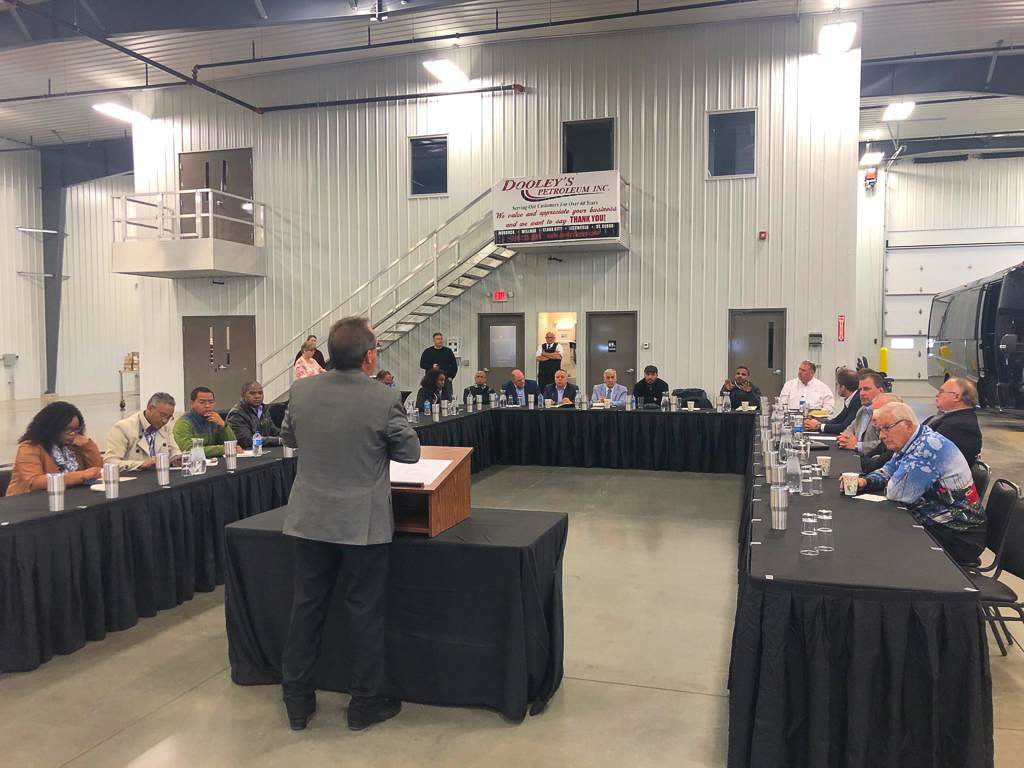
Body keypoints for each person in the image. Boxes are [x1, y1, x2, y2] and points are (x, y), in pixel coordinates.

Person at [279, 316, 420, 732]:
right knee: (364, 613)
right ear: (370, 356)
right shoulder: (383, 398)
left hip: (309, 519)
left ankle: (297, 702)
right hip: (363, 524)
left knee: (305, 608)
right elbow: (410, 453)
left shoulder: (300, 391)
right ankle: (364, 704)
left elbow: (289, 438)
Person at [855, 402, 985, 565]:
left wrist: (889, 480)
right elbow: (888, 470)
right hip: (934, 521)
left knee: (876, 538)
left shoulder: (927, 449)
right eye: (880, 429)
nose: (881, 435)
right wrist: (866, 481)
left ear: (908, 425)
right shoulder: (913, 440)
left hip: (958, 534)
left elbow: (897, 493)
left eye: (887, 428)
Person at [6, 401, 104, 496]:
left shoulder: (76, 445)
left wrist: (88, 445)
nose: (73, 434)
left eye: (76, 429)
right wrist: (81, 475)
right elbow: (34, 482)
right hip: (27, 501)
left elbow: (98, 472)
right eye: (68, 429)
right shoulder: (29, 448)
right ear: (52, 428)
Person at [105, 392, 183, 470]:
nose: (165, 420)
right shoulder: (123, 427)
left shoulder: (165, 427)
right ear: (150, 408)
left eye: (169, 417)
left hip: (160, 474)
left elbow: (174, 451)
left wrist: (178, 458)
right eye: (162, 415)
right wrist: (141, 464)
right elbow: (110, 462)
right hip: (133, 476)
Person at [924, 377, 983, 466]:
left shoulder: (961, 426)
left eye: (941, 392)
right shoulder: (947, 418)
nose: (937, 395)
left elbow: (928, 454)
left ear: (956, 397)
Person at [172, 386, 236, 458]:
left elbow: (233, 445)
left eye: (211, 402)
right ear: (192, 403)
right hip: (195, 462)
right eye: (202, 402)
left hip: (216, 461)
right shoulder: (183, 423)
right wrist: (223, 449)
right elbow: (189, 450)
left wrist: (223, 425)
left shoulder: (215, 419)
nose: (207, 406)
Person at [837, 370, 886, 454]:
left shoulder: (887, 413)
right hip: (855, 455)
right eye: (860, 390)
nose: (861, 393)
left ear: (880, 391)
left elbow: (885, 444)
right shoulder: (862, 410)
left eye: (866, 389)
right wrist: (845, 439)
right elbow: (848, 430)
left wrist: (857, 445)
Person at [226, 381, 283, 450]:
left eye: (260, 393)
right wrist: (278, 440)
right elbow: (246, 440)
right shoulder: (236, 414)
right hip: (246, 453)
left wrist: (289, 436)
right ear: (243, 395)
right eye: (252, 393)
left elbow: (275, 431)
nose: (257, 396)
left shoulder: (264, 410)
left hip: (263, 450)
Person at [804, 367, 860, 434]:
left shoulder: (856, 401)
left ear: (843, 387)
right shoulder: (851, 399)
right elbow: (837, 420)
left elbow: (844, 427)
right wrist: (817, 423)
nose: (836, 387)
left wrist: (818, 426)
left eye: (837, 384)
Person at [419, 332, 458, 399]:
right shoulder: (428, 351)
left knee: (447, 398)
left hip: (445, 380)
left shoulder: (448, 351)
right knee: (431, 398)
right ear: (434, 340)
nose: (440, 341)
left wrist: (451, 376)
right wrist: (432, 366)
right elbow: (422, 364)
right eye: (438, 339)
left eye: (441, 339)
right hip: (431, 380)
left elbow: (454, 366)